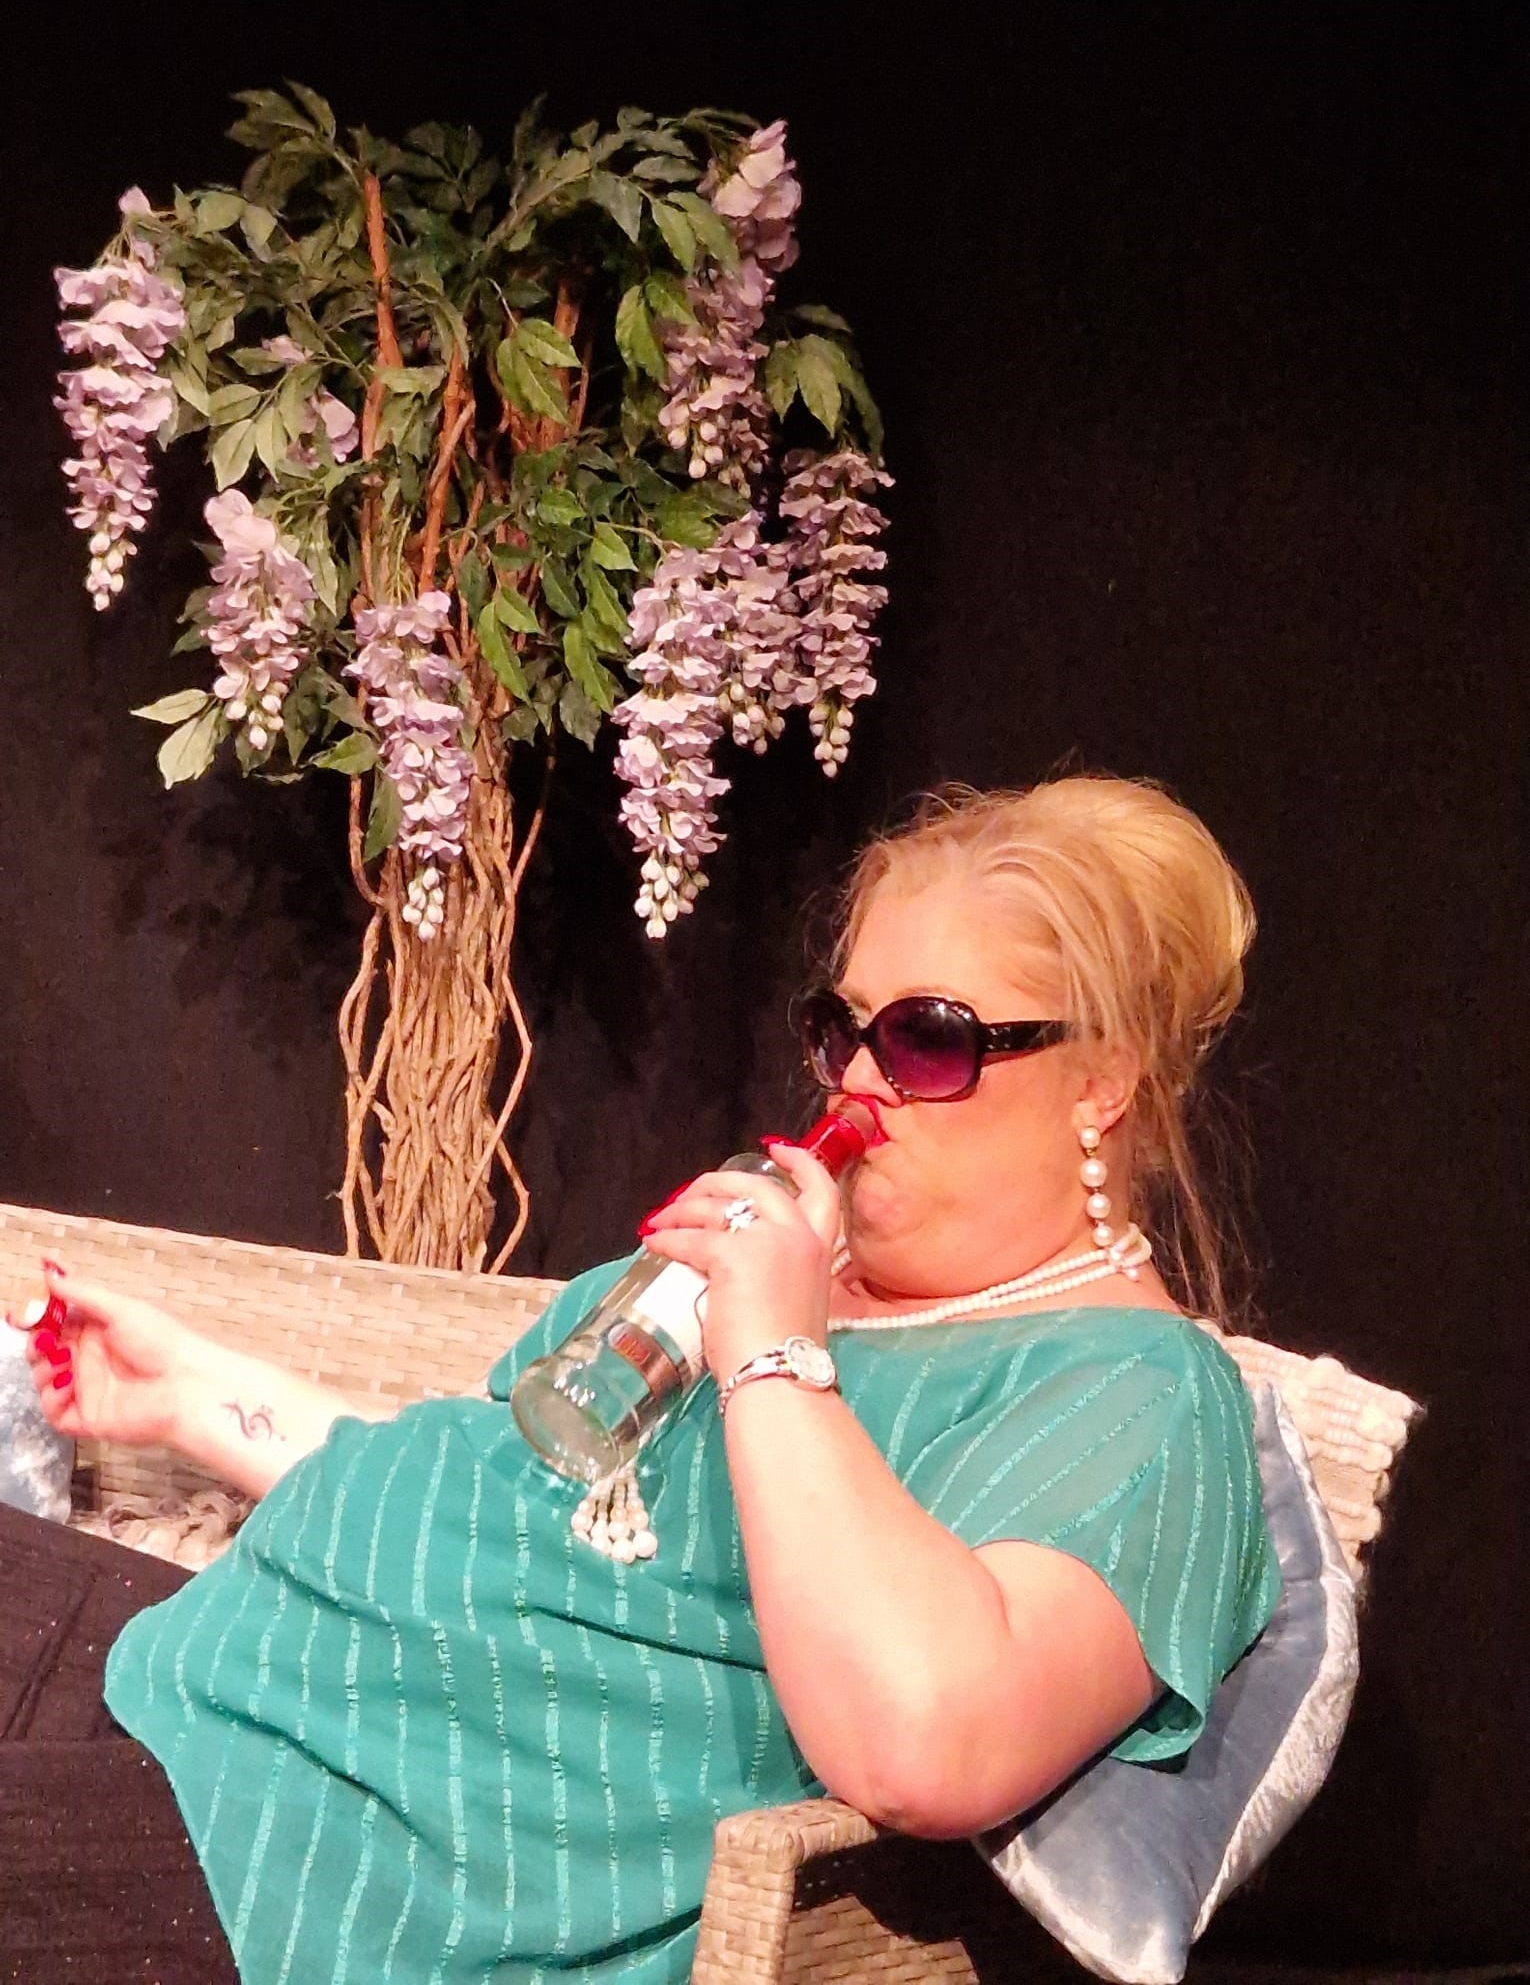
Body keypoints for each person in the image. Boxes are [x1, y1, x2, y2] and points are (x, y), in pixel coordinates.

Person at [1, 774, 1279, 1985]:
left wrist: (773, 1351)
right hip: (218, 1667)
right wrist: (192, 1396)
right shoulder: (795, 1270)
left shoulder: (1144, 1395)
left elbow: (923, 1743)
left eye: (927, 1042)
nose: (857, 1084)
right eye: (840, 1030)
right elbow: (510, 1489)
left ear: (1100, 1085)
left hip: (331, 1846)